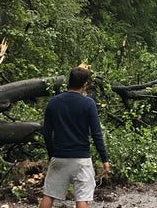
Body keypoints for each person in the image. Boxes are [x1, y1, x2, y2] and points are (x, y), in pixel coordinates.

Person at [39, 67, 110, 208]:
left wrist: (51, 154)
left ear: (68, 82)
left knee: (49, 195)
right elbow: (96, 134)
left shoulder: (53, 102)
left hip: (59, 156)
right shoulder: (88, 103)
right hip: (81, 158)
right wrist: (104, 159)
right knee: (82, 198)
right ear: (85, 84)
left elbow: (47, 133)